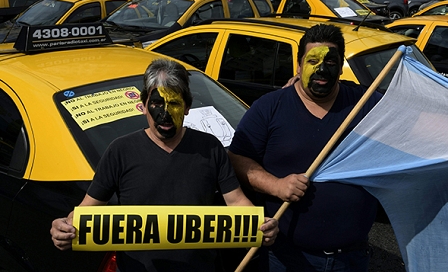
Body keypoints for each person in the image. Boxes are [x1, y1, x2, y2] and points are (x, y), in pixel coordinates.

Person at [50, 59, 279, 272]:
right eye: (157, 104)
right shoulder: (120, 151)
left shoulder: (209, 148)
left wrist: (261, 225)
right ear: (143, 105)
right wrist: (65, 227)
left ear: (188, 107)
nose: (165, 114)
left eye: (174, 104)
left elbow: (237, 201)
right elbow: (88, 208)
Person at [228, 24, 383, 272]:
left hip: (352, 259)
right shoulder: (269, 107)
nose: (322, 69)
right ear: (299, 66)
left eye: (331, 62)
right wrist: (275, 185)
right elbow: (236, 159)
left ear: (340, 66)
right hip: (287, 258)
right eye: (313, 61)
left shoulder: (365, 104)